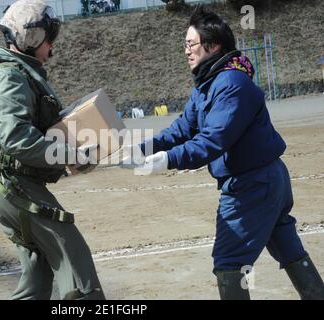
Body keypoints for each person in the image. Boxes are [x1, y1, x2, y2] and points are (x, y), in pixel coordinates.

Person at [134, 6, 324, 300]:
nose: (186, 51)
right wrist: (140, 148)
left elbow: (213, 140)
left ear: (212, 46)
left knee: (229, 263)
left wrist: (168, 160)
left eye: (190, 44)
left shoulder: (232, 84)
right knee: (288, 248)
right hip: (263, 181)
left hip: (252, 185)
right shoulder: (207, 84)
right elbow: (183, 129)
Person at [0, 0, 105, 300]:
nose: (52, 44)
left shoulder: (18, 73)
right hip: (11, 187)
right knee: (73, 257)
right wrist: (72, 154)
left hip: (6, 185)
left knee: (37, 274)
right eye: (48, 37)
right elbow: (17, 140)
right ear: (32, 39)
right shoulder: (10, 78)